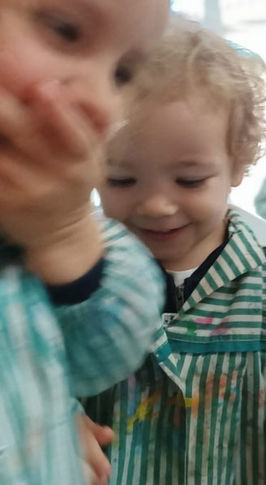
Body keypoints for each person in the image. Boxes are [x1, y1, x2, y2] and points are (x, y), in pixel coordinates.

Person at [82, 19, 266, 485]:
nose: (157, 205)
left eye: (189, 180)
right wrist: (57, 418)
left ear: (238, 164)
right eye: (121, 179)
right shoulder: (74, 274)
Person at [0, 1, 168, 484]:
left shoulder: (36, 221)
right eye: (64, 31)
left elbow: (106, 356)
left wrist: (64, 232)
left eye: (122, 73)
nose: (103, 104)